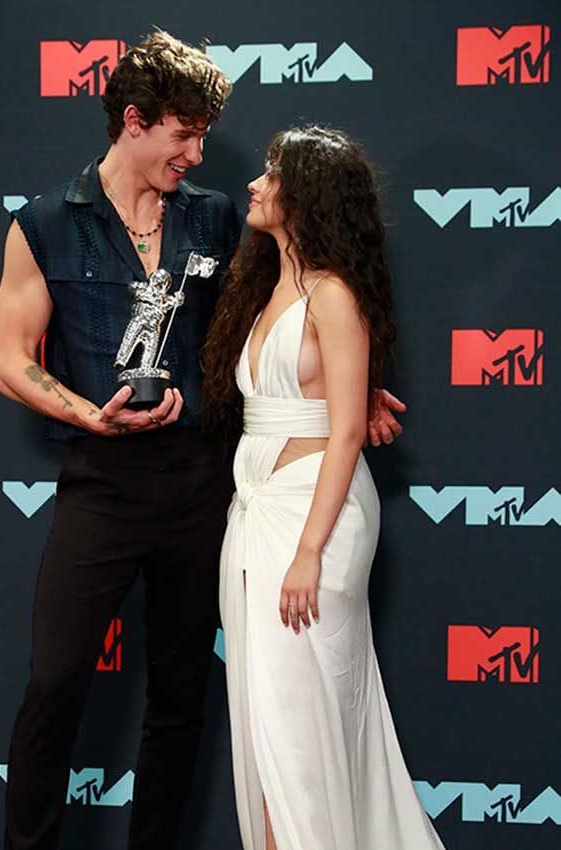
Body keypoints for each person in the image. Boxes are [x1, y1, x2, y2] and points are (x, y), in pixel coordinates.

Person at [0, 32, 404, 850]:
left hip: (205, 489)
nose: (199, 151)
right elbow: (7, 359)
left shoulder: (217, 217)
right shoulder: (42, 224)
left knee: (182, 694)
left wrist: (347, 394)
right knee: (53, 683)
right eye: (185, 133)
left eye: (206, 134)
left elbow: (288, 317)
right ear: (135, 122)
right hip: (101, 483)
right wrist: (89, 414)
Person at [202, 126, 446, 850]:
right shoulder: (264, 287)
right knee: (267, 726)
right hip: (253, 516)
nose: (254, 183)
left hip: (316, 521)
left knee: (299, 728)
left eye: (272, 174)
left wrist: (309, 550)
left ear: (305, 196)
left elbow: (343, 432)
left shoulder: (335, 294)